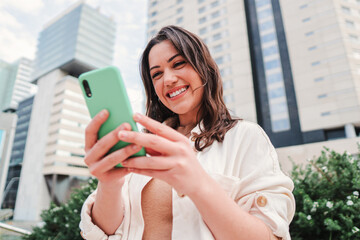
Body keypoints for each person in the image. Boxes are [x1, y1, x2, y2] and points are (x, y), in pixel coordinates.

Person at [79, 25, 295, 240]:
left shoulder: (245, 137)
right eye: (157, 74)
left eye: (179, 63)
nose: (168, 79)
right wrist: (109, 183)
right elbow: (105, 231)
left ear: (204, 68)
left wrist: (197, 183)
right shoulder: (141, 146)